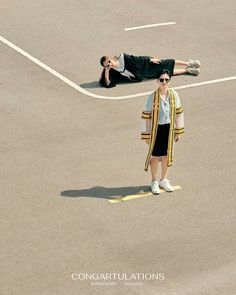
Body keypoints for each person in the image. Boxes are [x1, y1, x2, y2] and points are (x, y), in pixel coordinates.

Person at [140, 69, 184, 194]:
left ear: (169, 80)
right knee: (154, 157)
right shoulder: (152, 97)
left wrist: (178, 130)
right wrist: (146, 135)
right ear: (157, 81)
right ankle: (154, 181)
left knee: (166, 155)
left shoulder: (174, 95)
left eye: (166, 79)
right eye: (161, 80)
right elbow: (146, 116)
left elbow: (178, 113)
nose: (164, 82)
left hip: (169, 129)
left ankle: (163, 180)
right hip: (156, 130)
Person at [99, 53, 200, 88]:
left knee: (166, 63)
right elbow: (108, 83)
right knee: (164, 71)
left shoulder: (122, 57)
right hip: (142, 74)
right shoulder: (114, 72)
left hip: (146, 66)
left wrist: (150, 59)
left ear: (110, 58)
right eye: (106, 65)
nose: (109, 65)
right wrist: (107, 71)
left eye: (108, 62)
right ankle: (187, 70)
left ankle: (188, 64)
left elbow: (137, 59)